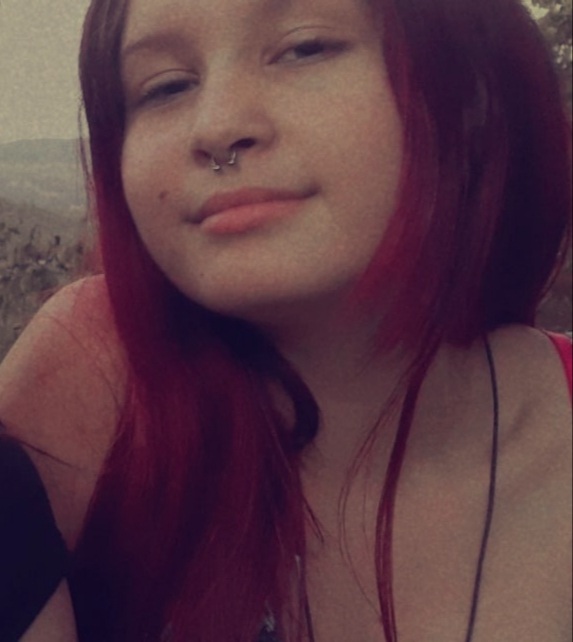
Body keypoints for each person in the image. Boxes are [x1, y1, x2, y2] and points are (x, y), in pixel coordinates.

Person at [0, 0, 571, 640]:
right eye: (166, 86)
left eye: (305, 48)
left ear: (473, 92)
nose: (217, 127)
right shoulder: (98, 372)